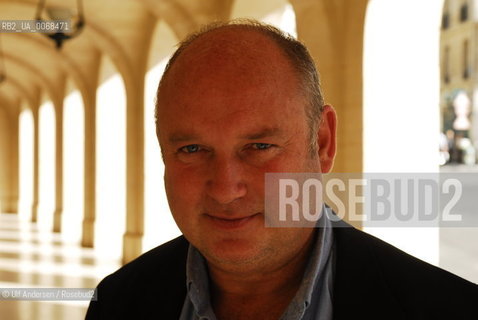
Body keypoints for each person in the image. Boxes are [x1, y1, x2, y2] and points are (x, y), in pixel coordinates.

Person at [85, 20, 478, 319]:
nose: (225, 189)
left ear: (322, 143)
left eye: (259, 147)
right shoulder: (117, 302)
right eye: (191, 149)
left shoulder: (449, 308)